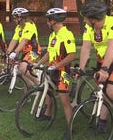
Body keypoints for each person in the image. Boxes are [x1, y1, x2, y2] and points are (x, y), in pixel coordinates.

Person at [78, 0, 113, 131]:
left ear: (94, 20)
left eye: (86, 18)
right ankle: (102, 124)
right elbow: (86, 47)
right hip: (102, 62)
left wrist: (104, 70)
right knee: (103, 93)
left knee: (112, 92)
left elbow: (112, 46)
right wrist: (80, 68)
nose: (84, 21)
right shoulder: (90, 28)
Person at [35, 8, 76, 139]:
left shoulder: (67, 34)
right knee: (48, 91)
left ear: (54, 21)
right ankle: (47, 114)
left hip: (63, 71)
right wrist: (38, 63)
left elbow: (71, 56)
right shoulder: (53, 35)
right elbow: (49, 53)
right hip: (52, 69)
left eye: (48, 20)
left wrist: (57, 66)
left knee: (64, 101)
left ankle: (70, 129)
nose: (47, 22)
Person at [7, 7, 42, 86]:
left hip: (34, 50)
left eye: (15, 18)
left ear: (20, 17)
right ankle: (29, 89)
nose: (14, 20)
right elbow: (14, 40)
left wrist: (15, 52)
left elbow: (25, 40)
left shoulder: (29, 25)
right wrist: (8, 52)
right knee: (21, 70)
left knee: (23, 67)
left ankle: (39, 85)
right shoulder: (19, 27)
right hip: (25, 51)